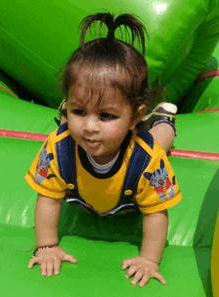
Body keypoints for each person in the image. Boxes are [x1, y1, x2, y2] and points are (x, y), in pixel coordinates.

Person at [25, 12, 182, 287]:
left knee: (158, 139)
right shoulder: (59, 149)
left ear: (134, 116)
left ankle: (164, 118)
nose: (91, 126)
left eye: (106, 116)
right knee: (70, 131)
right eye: (80, 110)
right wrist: (47, 246)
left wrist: (149, 259)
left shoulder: (145, 159)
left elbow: (157, 214)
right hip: (87, 192)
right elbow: (47, 199)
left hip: (130, 182)